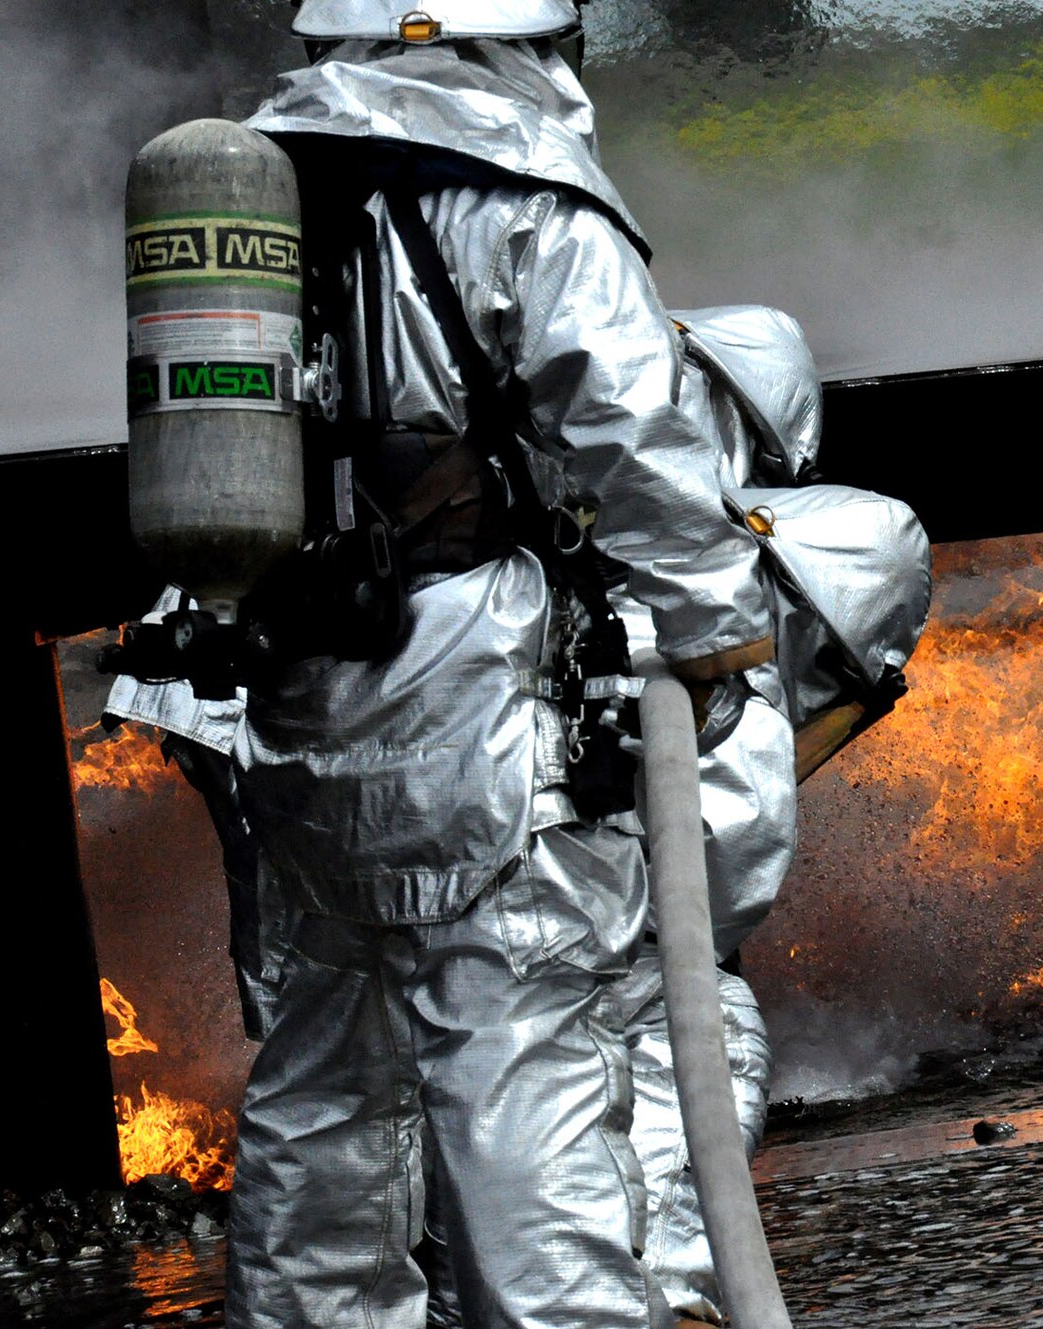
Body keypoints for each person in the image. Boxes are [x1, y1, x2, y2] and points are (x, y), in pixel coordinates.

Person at [216, 5, 776, 1326]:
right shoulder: (522, 194)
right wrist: (716, 641)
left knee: (327, 1092)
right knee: (522, 1063)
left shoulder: (246, 184)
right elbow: (641, 441)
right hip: (479, 697)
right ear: (506, 37)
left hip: (307, 688)